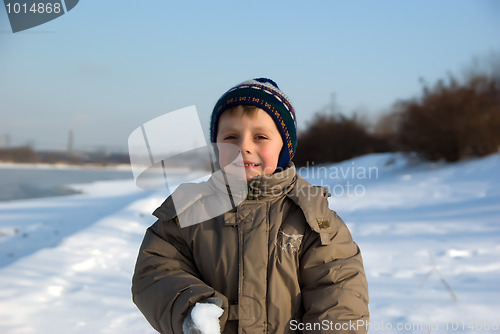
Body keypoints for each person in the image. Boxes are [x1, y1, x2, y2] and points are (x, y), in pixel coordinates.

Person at [132, 78, 369, 333]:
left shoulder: (313, 218)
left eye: (260, 137)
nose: (244, 146)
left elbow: (340, 292)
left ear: (284, 147)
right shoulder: (190, 213)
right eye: (231, 137)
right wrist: (192, 310)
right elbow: (154, 270)